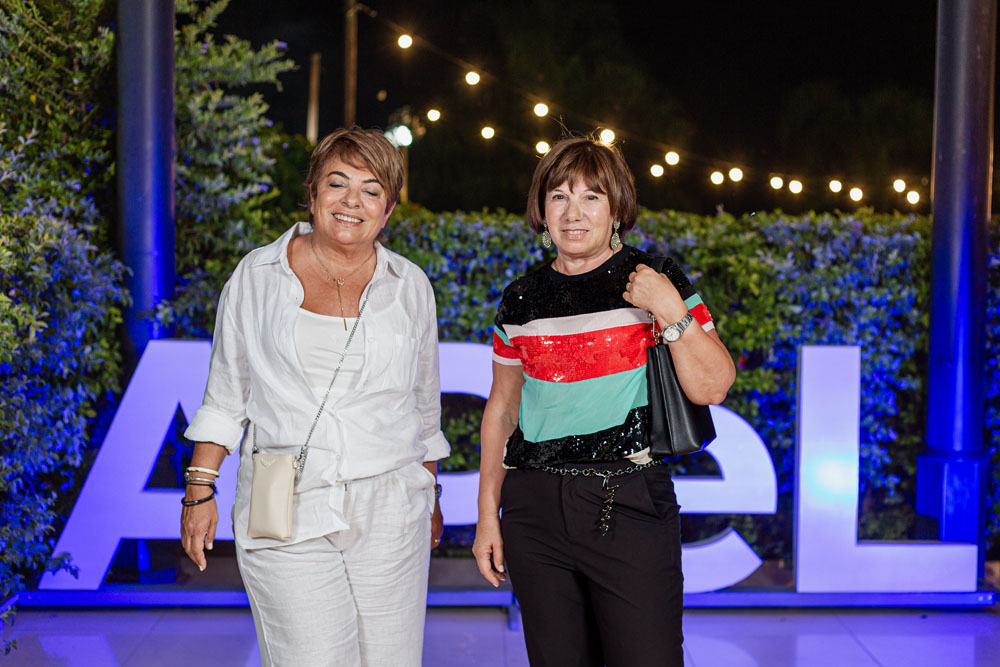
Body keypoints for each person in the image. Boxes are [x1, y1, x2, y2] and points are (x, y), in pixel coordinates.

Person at [180, 127, 449, 667]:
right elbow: (227, 393)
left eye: (371, 190)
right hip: (283, 494)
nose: (352, 201)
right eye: (338, 183)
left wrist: (432, 492)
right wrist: (199, 490)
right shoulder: (257, 275)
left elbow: (423, 405)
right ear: (312, 192)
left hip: (392, 503)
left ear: (388, 209)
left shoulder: (410, 285)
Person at [473, 136, 736, 666]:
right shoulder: (521, 299)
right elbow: (502, 409)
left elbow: (713, 387)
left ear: (616, 209)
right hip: (533, 510)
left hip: (628, 501)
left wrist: (668, 307)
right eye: (559, 197)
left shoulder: (653, 279)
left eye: (591, 197)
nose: (573, 213)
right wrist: (486, 516)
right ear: (542, 211)